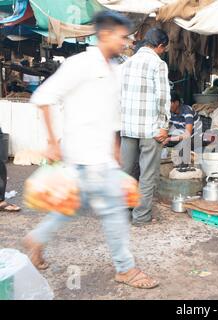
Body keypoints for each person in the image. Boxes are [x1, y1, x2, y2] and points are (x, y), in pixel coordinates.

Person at [22, 11, 159, 289]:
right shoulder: (80, 64)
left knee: (72, 206)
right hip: (84, 154)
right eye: (122, 37)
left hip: (101, 157)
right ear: (105, 35)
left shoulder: (115, 69)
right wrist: (51, 142)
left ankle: (37, 238)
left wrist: (116, 149)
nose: (126, 42)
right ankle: (125, 268)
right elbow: (43, 97)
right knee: (113, 211)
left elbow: (111, 117)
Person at [120, 28, 171, 226]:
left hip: (128, 128)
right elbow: (163, 97)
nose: (163, 52)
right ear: (159, 46)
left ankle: (124, 213)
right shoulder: (158, 64)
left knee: (126, 172)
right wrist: (164, 125)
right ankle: (141, 217)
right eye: (163, 48)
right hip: (150, 129)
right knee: (147, 174)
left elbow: (119, 96)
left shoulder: (127, 63)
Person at [164, 92, 202, 165]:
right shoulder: (171, 112)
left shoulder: (187, 111)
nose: (167, 106)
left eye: (169, 103)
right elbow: (167, 127)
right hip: (182, 132)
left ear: (177, 103)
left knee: (178, 151)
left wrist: (169, 139)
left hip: (194, 137)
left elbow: (187, 134)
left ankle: (181, 164)